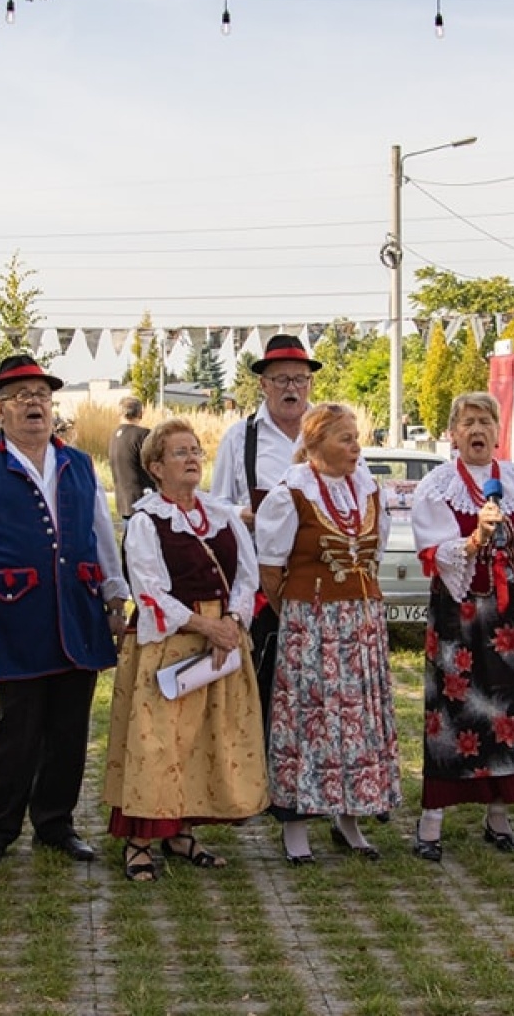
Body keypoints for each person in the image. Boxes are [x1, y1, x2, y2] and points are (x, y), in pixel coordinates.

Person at [0, 355, 130, 869]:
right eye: (21, 396)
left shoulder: (78, 464)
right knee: (18, 729)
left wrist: (114, 598)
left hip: (77, 606)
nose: (35, 404)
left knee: (70, 727)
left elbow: (101, 533)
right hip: (14, 612)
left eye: (42, 396)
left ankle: (55, 823)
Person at [102, 419, 268, 881]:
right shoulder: (146, 520)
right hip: (170, 643)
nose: (192, 458)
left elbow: (247, 577)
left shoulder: (222, 515)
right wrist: (207, 627)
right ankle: (139, 841)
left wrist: (232, 622)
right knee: (158, 742)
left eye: (195, 450)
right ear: (156, 467)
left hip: (222, 641)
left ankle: (182, 833)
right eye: (180, 452)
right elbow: (149, 591)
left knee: (203, 739)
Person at [408, 393, 514, 860]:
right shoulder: (437, 486)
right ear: (453, 434)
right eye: (468, 422)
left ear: (498, 432)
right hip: (463, 615)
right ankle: (431, 821)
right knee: (457, 712)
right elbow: (434, 551)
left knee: (512, 712)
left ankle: (498, 814)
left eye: (486, 422)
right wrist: (475, 539)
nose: (477, 430)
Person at [255, 402, 400, 863]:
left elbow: (374, 556)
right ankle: (295, 824)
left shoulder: (369, 491)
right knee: (307, 720)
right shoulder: (292, 494)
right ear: (315, 444)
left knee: (357, 723)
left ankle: (350, 816)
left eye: (356, 438)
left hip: (361, 624)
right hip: (311, 623)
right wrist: (299, 618)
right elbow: (270, 571)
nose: (356, 447)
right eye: (346, 439)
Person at [212, 333, 320, 735]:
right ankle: (262, 764)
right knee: (266, 679)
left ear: (310, 383)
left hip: (319, 575)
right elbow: (215, 504)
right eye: (281, 380)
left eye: (299, 379)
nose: (292, 388)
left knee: (317, 682)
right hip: (263, 577)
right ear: (263, 384)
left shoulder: (326, 430)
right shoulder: (241, 437)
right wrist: (242, 514)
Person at [108, 396, 156, 520]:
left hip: (123, 501)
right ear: (140, 413)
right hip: (143, 500)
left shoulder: (114, 436)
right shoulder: (143, 435)